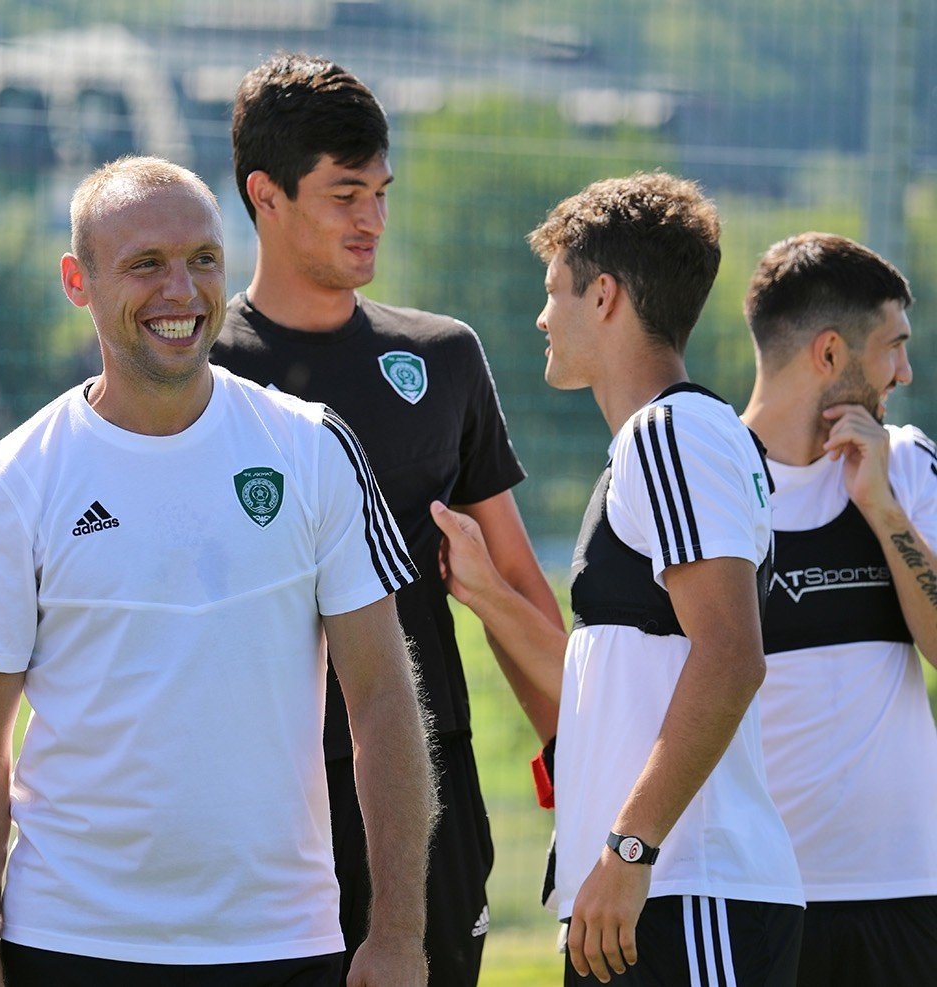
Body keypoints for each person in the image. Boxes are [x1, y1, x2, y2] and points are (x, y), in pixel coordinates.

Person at [0, 156, 436, 987]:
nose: (182, 290)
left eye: (203, 258)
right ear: (78, 281)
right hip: (70, 942)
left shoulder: (311, 447)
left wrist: (397, 933)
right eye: (146, 264)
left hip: (281, 943)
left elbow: (383, 700)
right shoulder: (12, 479)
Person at [210, 53, 562, 983]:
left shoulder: (443, 357)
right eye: (345, 194)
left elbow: (513, 581)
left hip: (425, 784)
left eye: (380, 193)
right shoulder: (203, 375)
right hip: (256, 795)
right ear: (266, 195)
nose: (372, 218)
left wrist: (578, 761)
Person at [430, 173, 805, 985]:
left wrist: (630, 847)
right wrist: (486, 590)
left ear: (603, 296)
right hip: (639, 894)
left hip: (685, 893)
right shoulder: (655, 444)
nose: (541, 316)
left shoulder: (669, 434)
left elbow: (731, 656)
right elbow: (607, 688)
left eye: (553, 291)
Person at [740, 232, 937, 987]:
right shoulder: (709, 478)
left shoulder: (906, 461)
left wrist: (882, 507)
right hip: (758, 894)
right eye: (894, 347)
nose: (904, 373)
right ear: (829, 353)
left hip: (906, 890)